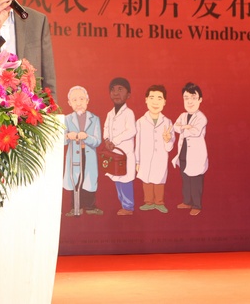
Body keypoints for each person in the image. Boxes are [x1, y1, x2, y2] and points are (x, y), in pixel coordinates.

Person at [63, 86, 103, 217]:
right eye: (74, 100)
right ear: (69, 103)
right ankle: (75, 207)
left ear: (87, 100)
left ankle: (90, 206)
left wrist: (86, 137)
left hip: (88, 155)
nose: (78, 103)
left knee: (88, 179)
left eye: (81, 99)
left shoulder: (94, 119)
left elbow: (97, 141)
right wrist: (67, 136)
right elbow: (62, 141)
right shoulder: (67, 119)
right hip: (73, 155)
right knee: (75, 179)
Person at [135, 85, 175, 213]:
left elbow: (170, 147)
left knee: (159, 180)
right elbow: (138, 143)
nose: (155, 102)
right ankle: (148, 202)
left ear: (164, 102)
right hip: (145, 157)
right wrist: (137, 161)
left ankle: (159, 202)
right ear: (146, 100)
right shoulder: (140, 122)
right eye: (152, 98)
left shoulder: (167, 122)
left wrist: (167, 139)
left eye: (159, 98)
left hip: (160, 157)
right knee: (146, 179)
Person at [171, 82, 208, 216]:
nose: (189, 101)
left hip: (196, 156)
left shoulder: (201, 117)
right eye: (186, 98)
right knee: (185, 179)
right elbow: (175, 127)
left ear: (200, 99)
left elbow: (195, 132)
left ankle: (197, 205)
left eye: (193, 98)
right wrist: (185, 127)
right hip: (183, 154)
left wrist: (184, 128)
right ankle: (187, 201)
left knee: (195, 181)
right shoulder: (183, 115)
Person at [103, 77, 137, 216]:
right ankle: (123, 204)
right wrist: (106, 140)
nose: (116, 93)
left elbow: (131, 131)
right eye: (113, 90)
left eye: (120, 89)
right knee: (117, 179)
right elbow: (106, 128)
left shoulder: (129, 113)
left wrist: (115, 141)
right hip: (114, 153)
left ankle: (128, 207)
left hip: (124, 153)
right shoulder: (110, 114)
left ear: (128, 95)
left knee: (125, 180)